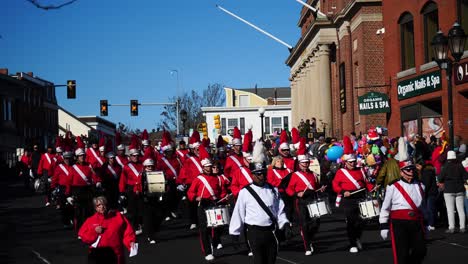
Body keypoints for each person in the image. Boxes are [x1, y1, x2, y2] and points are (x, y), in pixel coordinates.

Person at [230, 139, 289, 264]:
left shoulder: (273, 190)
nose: (261, 176)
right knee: (259, 261)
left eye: (263, 173)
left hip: (271, 231)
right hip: (254, 232)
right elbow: (238, 213)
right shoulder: (245, 192)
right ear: (252, 175)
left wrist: (285, 223)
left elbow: (280, 209)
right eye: (258, 174)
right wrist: (234, 233)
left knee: (271, 260)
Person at [379, 160, 427, 264]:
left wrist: (426, 221)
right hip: (399, 223)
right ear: (401, 172)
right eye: (408, 169)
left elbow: (423, 206)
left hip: (416, 222)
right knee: (402, 253)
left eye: (413, 169)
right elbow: (385, 207)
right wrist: (383, 225)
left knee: (421, 250)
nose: (411, 172)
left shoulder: (421, 185)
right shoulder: (393, 186)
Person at [286, 137, 326, 255]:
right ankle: (307, 246)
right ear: (299, 164)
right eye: (303, 163)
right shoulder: (295, 175)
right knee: (304, 223)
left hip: (313, 199)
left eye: (307, 163)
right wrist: (296, 193)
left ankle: (308, 236)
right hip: (301, 201)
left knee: (316, 223)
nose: (305, 165)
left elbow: (317, 186)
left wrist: (321, 188)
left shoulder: (313, 174)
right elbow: (289, 189)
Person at [187, 146, 228, 261]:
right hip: (202, 206)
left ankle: (215, 242)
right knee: (204, 230)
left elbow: (219, 191)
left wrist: (223, 197)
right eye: (207, 167)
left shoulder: (216, 178)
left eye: (210, 167)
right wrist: (196, 197)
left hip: (213, 204)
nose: (209, 169)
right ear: (203, 168)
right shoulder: (199, 179)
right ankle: (207, 252)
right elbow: (190, 192)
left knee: (217, 227)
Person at [332, 153, 375, 253]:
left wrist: (372, 188)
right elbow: (335, 185)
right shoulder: (340, 172)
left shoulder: (361, 170)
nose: (352, 163)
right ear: (345, 162)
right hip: (348, 199)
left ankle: (357, 238)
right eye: (350, 162)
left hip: (361, 198)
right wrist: (343, 192)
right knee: (351, 222)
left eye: (354, 161)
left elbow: (366, 182)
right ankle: (352, 244)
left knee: (363, 220)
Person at [78, 196, 136, 264]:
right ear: (95, 208)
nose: (101, 207)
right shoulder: (91, 220)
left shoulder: (118, 216)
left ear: (107, 204)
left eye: (103, 204)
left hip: (115, 254)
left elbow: (127, 232)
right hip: (98, 256)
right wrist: (94, 232)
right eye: (98, 205)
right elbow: (83, 236)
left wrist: (130, 242)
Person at [119, 135, 144, 235]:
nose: (135, 157)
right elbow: (122, 180)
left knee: (141, 208)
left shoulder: (142, 165)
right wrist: (121, 192)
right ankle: (135, 226)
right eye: (133, 155)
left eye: (137, 155)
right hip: (131, 189)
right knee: (132, 210)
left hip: (141, 188)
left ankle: (141, 224)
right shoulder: (126, 167)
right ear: (130, 156)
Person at [439, 150, 468, 233]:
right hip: (460, 189)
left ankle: (452, 227)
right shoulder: (460, 166)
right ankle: (462, 227)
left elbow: (440, 178)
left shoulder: (445, 166)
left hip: (449, 190)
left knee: (450, 210)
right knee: (461, 209)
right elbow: (466, 176)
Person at [141, 151, 165, 244]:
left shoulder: (158, 173)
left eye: (151, 166)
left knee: (159, 215)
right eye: (148, 166)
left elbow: (163, 185)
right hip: (146, 199)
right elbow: (138, 186)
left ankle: (152, 231)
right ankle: (151, 236)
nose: (150, 168)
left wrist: (164, 190)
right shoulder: (142, 175)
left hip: (156, 198)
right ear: (145, 167)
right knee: (149, 218)